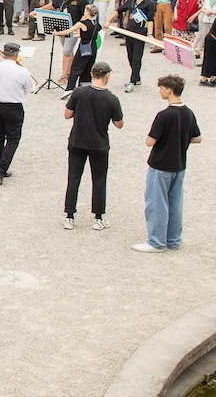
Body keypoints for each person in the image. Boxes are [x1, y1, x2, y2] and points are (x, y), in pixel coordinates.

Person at [135, 75, 201, 253]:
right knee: (175, 203)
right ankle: (174, 239)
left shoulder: (164, 115)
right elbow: (197, 138)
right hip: (179, 164)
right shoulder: (188, 112)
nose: (160, 91)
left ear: (169, 90)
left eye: (162, 88)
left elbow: (150, 141)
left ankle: (156, 241)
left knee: (156, 203)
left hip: (161, 164)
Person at [63, 62, 124, 230]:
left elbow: (67, 115)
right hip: (99, 144)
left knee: (74, 177)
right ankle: (98, 217)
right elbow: (119, 124)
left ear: (91, 74)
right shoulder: (112, 98)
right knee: (99, 179)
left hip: (77, 141)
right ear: (107, 76)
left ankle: (69, 215)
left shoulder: (79, 92)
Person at [0, 42, 36, 184]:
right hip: (14, 106)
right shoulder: (21, 71)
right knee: (13, 138)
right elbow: (31, 88)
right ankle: (2, 167)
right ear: (16, 54)